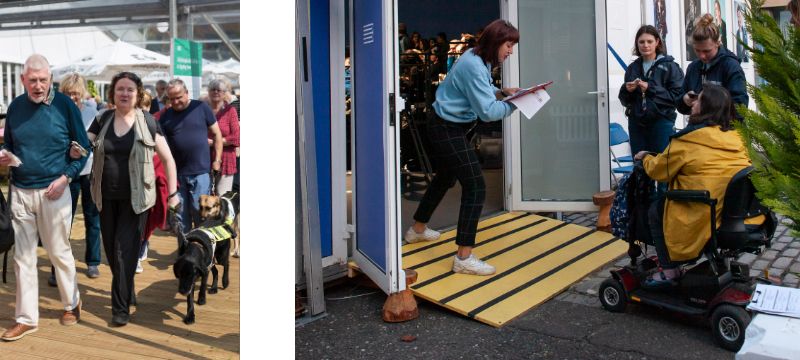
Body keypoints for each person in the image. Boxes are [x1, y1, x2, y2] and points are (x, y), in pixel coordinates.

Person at [405, 19, 521, 276]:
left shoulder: (480, 58)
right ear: (495, 41)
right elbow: (488, 112)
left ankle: (417, 230)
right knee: (476, 186)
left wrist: (502, 91)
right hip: (446, 128)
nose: (511, 51)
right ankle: (463, 257)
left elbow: (481, 88)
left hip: (450, 125)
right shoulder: (473, 64)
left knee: (444, 179)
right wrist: (518, 103)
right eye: (509, 45)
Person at [0, 54, 89, 341]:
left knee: (58, 251)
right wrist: (6, 157)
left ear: (51, 80)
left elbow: (84, 148)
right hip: (20, 191)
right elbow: (12, 144)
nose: (38, 86)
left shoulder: (64, 106)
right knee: (22, 257)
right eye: (33, 80)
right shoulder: (14, 107)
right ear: (23, 80)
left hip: (55, 190)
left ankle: (71, 302)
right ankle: (26, 318)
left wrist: (66, 177)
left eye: (43, 80)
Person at [80, 71, 179, 326]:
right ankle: (127, 288)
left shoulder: (148, 121)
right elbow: (82, 146)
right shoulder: (102, 119)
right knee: (113, 254)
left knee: (124, 252)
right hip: (104, 198)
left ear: (138, 94)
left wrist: (174, 194)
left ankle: (120, 309)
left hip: (137, 200)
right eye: (120, 89)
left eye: (130, 89)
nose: (125, 93)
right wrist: (73, 149)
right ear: (112, 93)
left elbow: (168, 159)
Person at [634, 85, 751, 286]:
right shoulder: (736, 138)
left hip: (702, 209)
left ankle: (670, 270)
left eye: (698, 100)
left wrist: (645, 158)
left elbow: (659, 172)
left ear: (704, 108)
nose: (693, 103)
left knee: (656, 210)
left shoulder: (687, 141)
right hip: (731, 210)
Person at [159, 78, 223, 232]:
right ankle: (185, 252)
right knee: (181, 218)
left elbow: (217, 135)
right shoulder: (165, 117)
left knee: (201, 214)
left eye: (179, 97)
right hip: (177, 175)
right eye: (171, 98)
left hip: (200, 172)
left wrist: (217, 160)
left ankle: (203, 252)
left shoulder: (201, 107)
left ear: (186, 93)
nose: (175, 101)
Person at [60, 73, 102, 280]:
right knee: (63, 220)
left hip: (89, 172)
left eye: (75, 93)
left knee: (92, 218)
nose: (72, 97)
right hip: (66, 173)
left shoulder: (92, 112)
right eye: (68, 93)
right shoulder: (57, 111)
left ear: (82, 93)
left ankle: (93, 261)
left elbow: (98, 141)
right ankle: (58, 266)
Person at [618, 25, 684, 157]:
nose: (645, 45)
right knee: (640, 168)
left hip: (661, 123)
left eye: (649, 41)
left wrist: (650, 89)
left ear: (657, 42)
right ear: (637, 44)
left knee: (663, 167)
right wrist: (626, 89)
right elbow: (625, 101)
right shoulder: (632, 68)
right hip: (637, 124)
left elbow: (676, 98)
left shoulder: (670, 67)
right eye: (641, 42)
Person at [678, 13, 747, 121]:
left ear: (718, 43)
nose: (702, 56)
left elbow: (740, 107)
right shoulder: (693, 67)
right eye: (697, 50)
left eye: (707, 51)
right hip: (698, 130)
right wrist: (685, 100)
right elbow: (680, 105)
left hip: (723, 132)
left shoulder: (731, 66)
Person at [205, 79, 240, 196]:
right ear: (208, 92)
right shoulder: (203, 110)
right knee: (206, 197)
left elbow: (236, 137)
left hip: (226, 160)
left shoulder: (230, 111)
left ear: (224, 93)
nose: (215, 92)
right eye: (212, 89)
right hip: (205, 159)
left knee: (223, 197)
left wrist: (214, 142)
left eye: (219, 90)